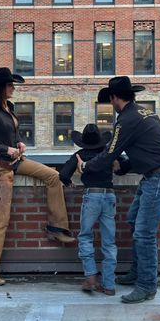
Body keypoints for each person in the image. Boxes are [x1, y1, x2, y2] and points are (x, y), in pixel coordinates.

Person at [76, 76, 160, 304]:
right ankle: (137, 273)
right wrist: (124, 167)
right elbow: (155, 147)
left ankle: (147, 286)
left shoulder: (125, 120)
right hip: (156, 175)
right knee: (134, 220)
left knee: (144, 233)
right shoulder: (145, 113)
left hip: (159, 178)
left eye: (110, 99)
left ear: (114, 97)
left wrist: (86, 166)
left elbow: (110, 152)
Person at [0, 67, 75, 286]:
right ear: (1, 88)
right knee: (0, 221)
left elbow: (14, 132)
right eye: (10, 85)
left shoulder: (8, 108)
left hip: (17, 162)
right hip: (2, 167)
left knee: (54, 177)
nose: (13, 88)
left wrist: (19, 142)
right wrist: (5, 149)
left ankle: (57, 227)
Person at [59, 124, 117, 296]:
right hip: (109, 196)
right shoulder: (107, 153)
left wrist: (71, 182)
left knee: (85, 236)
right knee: (109, 242)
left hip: (92, 196)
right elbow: (120, 168)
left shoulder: (80, 155)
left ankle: (91, 276)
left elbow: (63, 175)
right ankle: (109, 285)